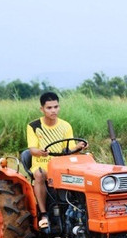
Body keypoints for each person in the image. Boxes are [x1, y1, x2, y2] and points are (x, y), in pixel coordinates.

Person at [26, 92, 87, 229]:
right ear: (42, 109)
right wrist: (40, 152)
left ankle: (80, 211)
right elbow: (32, 150)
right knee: (39, 174)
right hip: (42, 164)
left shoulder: (65, 125)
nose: (53, 110)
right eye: (49, 108)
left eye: (56, 107)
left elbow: (69, 149)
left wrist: (78, 147)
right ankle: (43, 214)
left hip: (61, 163)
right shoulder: (34, 126)